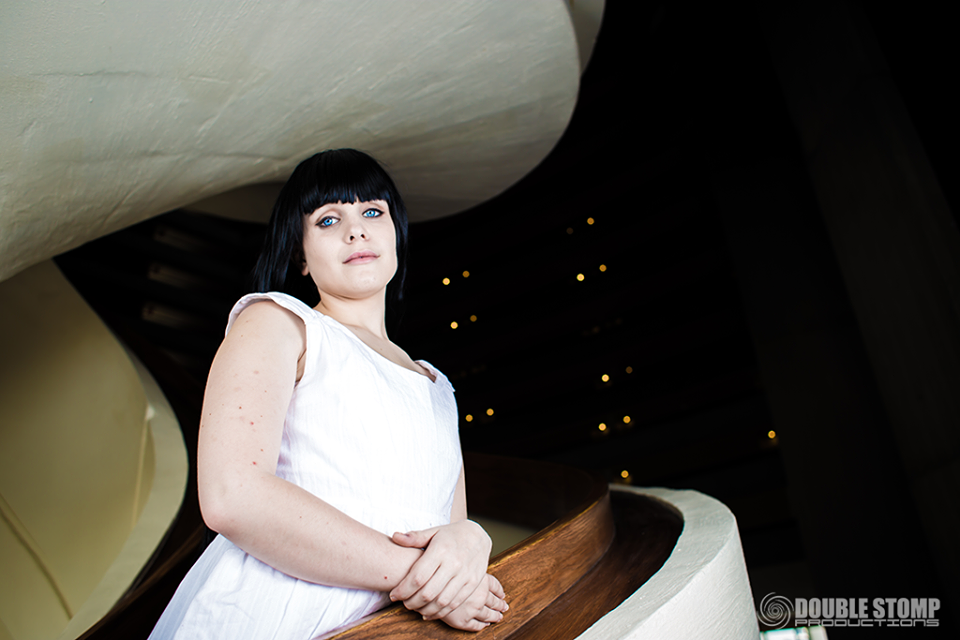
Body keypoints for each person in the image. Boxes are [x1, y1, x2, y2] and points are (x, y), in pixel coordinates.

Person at [149, 149, 508, 639]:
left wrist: (470, 538)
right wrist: (417, 575)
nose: (356, 230)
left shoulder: (437, 386)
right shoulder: (280, 322)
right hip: (276, 613)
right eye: (328, 219)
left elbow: (444, 540)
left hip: (401, 626)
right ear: (300, 254)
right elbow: (233, 495)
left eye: (373, 212)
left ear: (396, 233)